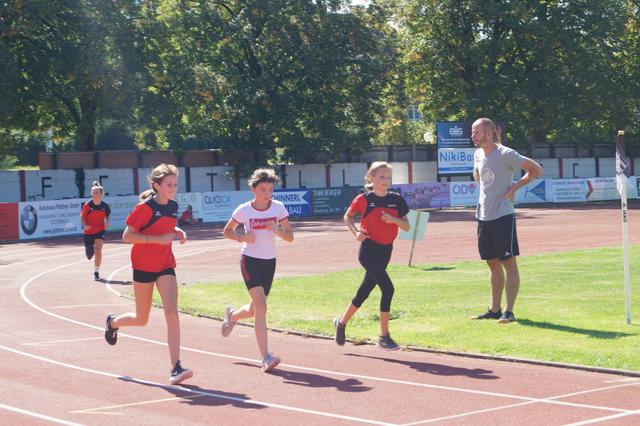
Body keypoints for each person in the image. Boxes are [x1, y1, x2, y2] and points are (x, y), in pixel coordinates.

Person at [103, 163, 193, 385]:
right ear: (156, 185)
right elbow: (127, 236)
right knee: (141, 319)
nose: (173, 188)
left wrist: (176, 231)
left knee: (172, 314)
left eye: (175, 184)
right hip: (143, 266)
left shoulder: (173, 206)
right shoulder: (144, 208)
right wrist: (156, 240)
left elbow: (165, 227)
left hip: (165, 265)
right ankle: (113, 323)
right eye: (168, 184)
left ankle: (175, 367)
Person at [221, 168, 294, 372]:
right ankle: (266, 357)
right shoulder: (244, 210)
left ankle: (233, 315)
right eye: (262, 189)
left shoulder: (278, 208)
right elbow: (226, 231)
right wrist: (242, 238)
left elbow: (290, 236)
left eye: (270, 190)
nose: (267, 194)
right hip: (250, 260)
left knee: (255, 309)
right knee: (261, 306)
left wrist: (277, 230)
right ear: (253, 189)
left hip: (269, 262)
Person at [471, 118, 542, 323]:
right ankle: (494, 309)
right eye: (472, 132)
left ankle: (509, 312)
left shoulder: (506, 154)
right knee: (492, 263)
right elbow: (480, 176)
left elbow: (535, 169)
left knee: (508, 263)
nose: (473, 135)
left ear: (489, 132)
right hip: (483, 214)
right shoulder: (477, 154)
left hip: (503, 215)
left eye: (476, 131)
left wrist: (513, 189)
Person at [333, 161, 410, 350]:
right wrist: (356, 232)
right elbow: (347, 216)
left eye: (389, 177)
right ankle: (384, 336)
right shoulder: (364, 199)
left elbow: (407, 226)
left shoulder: (397, 199)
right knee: (388, 289)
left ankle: (341, 323)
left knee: (364, 291)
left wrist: (393, 219)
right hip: (368, 251)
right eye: (382, 177)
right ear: (371, 178)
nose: (386, 181)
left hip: (386, 251)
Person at [80, 181, 111, 280]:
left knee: (98, 250)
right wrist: (84, 225)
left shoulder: (105, 206)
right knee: (89, 255)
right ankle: (90, 249)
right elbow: (82, 217)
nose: (94, 194)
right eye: (93, 192)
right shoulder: (87, 205)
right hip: (88, 232)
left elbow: (107, 217)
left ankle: (96, 272)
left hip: (100, 230)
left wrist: (106, 222)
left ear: (102, 194)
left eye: (97, 192)